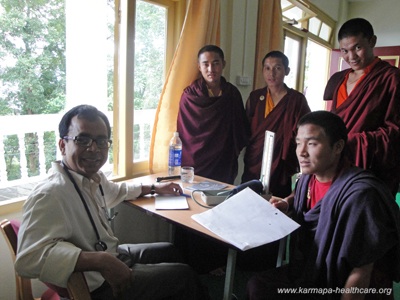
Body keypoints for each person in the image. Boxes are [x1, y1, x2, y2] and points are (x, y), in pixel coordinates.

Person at [15, 105, 208, 300]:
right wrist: (101, 261)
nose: (94, 148)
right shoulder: (51, 193)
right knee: (184, 276)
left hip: (110, 255)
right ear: (63, 145)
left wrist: (154, 189)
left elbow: (117, 191)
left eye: (101, 141)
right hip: (99, 285)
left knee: (171, 251)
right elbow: (28, 259)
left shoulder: (90, 178)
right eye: (82, 139)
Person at [246, 111, 400, 299]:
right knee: (258, 286)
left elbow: (362, 270)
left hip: (342, 283)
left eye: (312, 144)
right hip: (311, 272)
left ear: (338, 147)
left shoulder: (361, 196)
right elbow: (305, 195)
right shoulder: (307, 179)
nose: (301, 152)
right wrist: (287, 202)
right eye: (298, 143)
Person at [323, 18, 400, 196]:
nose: (352, 57)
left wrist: (353, 141)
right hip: (338, 162)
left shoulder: (391, 79)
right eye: (344, 51)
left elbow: (395, 132)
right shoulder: (339, 80)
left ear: (372, 41)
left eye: (357, 48)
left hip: (371, 168)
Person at [242, 50, 310, 198]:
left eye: (277, 68)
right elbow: (246, 129)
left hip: (281, 161)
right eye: (267, 68)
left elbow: (305, 131)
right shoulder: (255, 97)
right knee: (248, 198)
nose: (271, 73)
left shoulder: (296, 100)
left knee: (276, 203)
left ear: (287, 71)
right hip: (255, 159)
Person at [177, 44, 248, 185]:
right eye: (206, 64)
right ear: (199, 66)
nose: (211, 69)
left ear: (223, 64)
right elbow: (184, 132)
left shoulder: (232, 93)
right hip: (197, 161)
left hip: (223, 160)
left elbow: (240, 126)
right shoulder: (190, 95)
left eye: (216, 64)